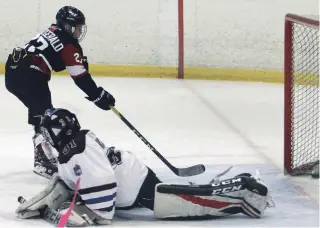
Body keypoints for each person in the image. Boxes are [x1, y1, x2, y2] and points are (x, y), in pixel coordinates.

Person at [15, 108, 274, 226]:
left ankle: (245, 195)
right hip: (132, 175)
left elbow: (103, 192)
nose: (46, 139)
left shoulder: (77, 149)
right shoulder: (72, 146)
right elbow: (77, 180)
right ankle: (237, 189)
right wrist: (54, 197)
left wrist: (88, 213)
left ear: (58, 133)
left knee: (186, 204)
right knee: (179, 197)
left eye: (48, 133)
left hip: (134, 187)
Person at [4, 6, 115, 179]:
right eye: (77, 28)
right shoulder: (68, 44)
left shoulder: (52, 31)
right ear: (68, 26)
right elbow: (80, 77)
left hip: (12, 72)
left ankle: (44, 154)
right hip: (30, 74)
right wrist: (98, 95)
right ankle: (43, 160)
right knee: (50, 119)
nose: (79, 32)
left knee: (42, 115)